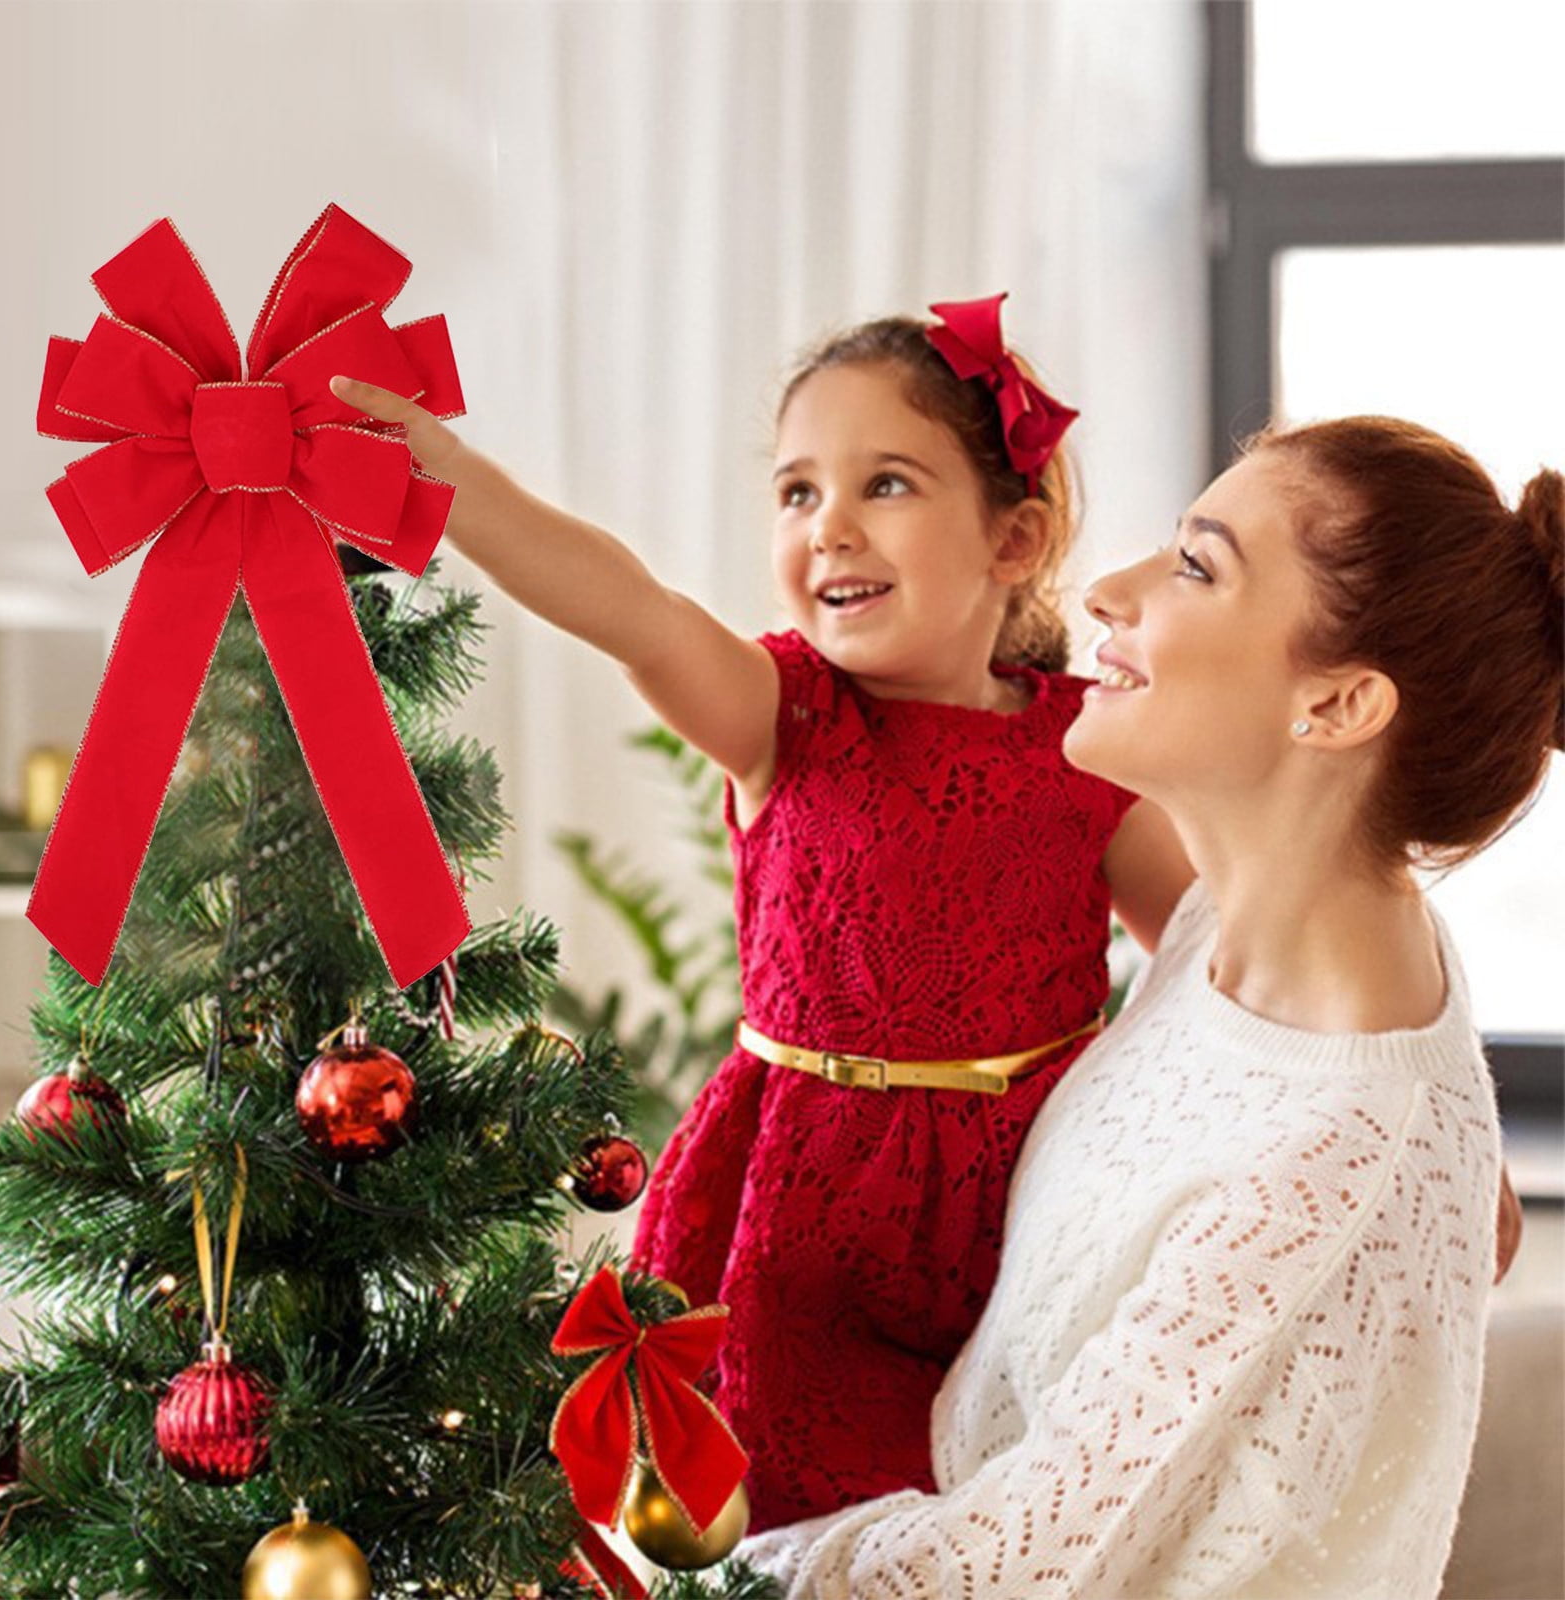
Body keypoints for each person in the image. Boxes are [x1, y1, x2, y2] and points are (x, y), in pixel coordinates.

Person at [329, 294, 1195, 1530]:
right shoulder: (781, 713)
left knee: (999, 1520)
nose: (828, 525)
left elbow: (1218, 967)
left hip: (1029, 1212)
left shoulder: (1088, 750)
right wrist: (454, 482)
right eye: (796, 491)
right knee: (775, 1525)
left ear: (1015, 537)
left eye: (884, 483)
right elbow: (630, 609)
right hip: (795, 1220)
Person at [737, 418, 1560, 1597]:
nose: (1107, 592)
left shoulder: (1326, 1160)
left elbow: (1001, 1570)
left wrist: (687, 1570)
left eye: (1194, 567)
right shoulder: (1239, 924)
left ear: (1338, 704)